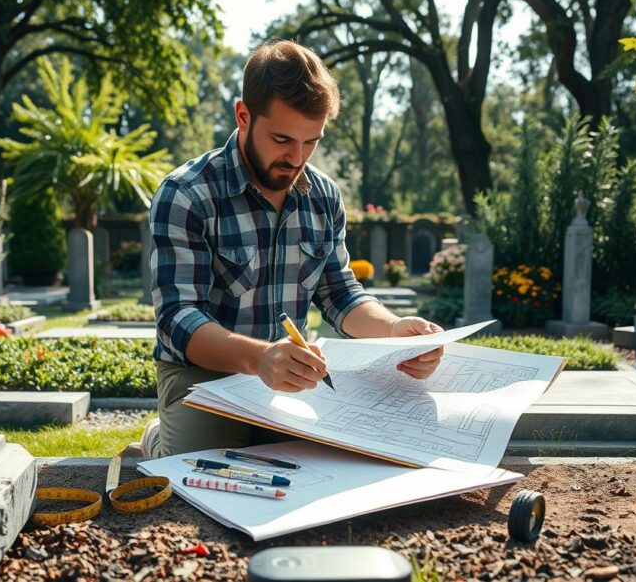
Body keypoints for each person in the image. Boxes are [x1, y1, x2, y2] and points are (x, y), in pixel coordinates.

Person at [143, 40, 444, 458]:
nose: (297, 158)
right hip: (201, 374)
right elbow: (177, 318)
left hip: (291, 373)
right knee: (201, 478)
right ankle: (161, 438)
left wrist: (394, 331)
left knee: (329, 463)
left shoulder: (323, 196)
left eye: (311, 142)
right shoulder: (187, 193)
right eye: (282, 139)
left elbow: (340, 293)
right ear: (243, 116)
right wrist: (261, 359)